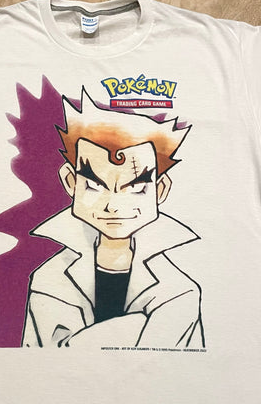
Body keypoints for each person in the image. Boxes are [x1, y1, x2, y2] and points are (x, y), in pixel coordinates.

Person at [21, 87, 205, 348]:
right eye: (94, 185)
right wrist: (137, 325)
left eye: (136, 187)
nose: (113, 206)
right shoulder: (49, 279)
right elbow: (53, 357)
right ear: (71, 182)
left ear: (160, 189)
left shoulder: (179, 292)